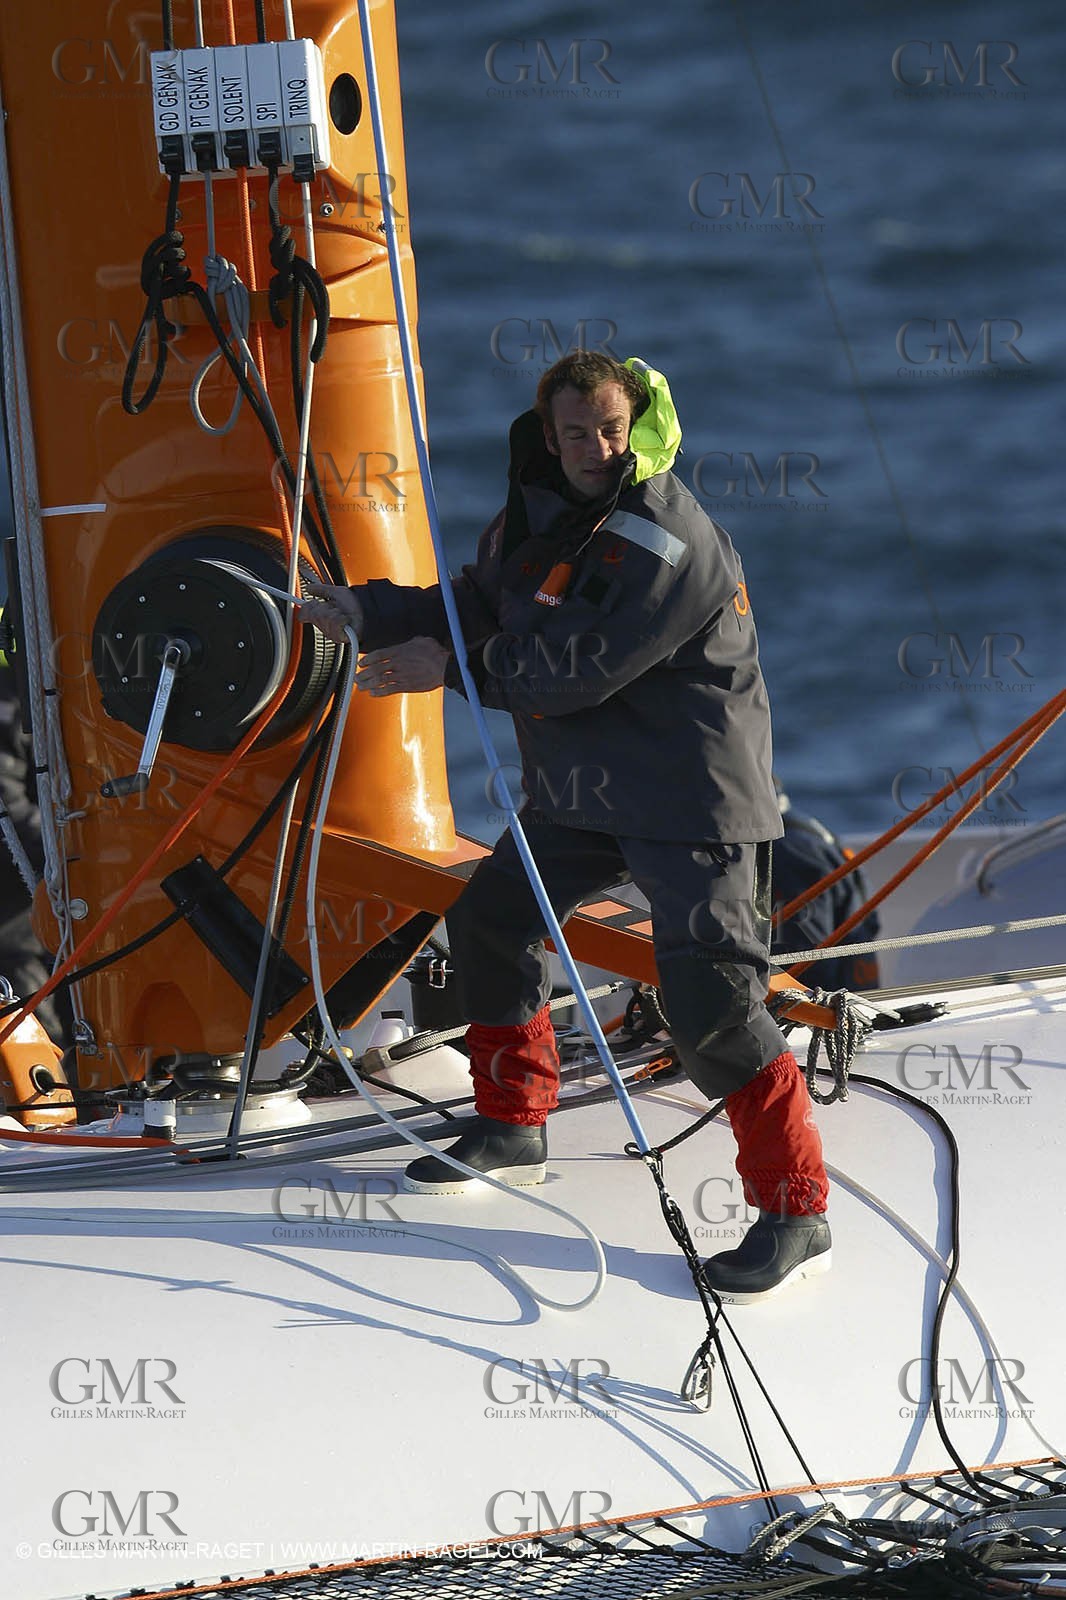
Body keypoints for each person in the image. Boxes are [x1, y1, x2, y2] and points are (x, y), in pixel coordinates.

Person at [300, 353, 830, 1303]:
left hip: (687, 800)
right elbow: (476, 604)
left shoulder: (669, 540)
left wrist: (446, 667)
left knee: (713, 1002)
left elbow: (577, 667)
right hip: (586, 793)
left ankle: (796, 1209)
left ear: (639, 428)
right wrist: (372, 611)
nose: (597, 449)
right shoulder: (536, 516)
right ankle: (514, 1124)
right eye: (578, 432)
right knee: (493, 919)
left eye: (612, 431)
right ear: (549, 436)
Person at [771, 776, 881, 992]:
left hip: (826, 1010)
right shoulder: (798, 833)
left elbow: (807, 966)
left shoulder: (784, 851)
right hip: (853, 996)